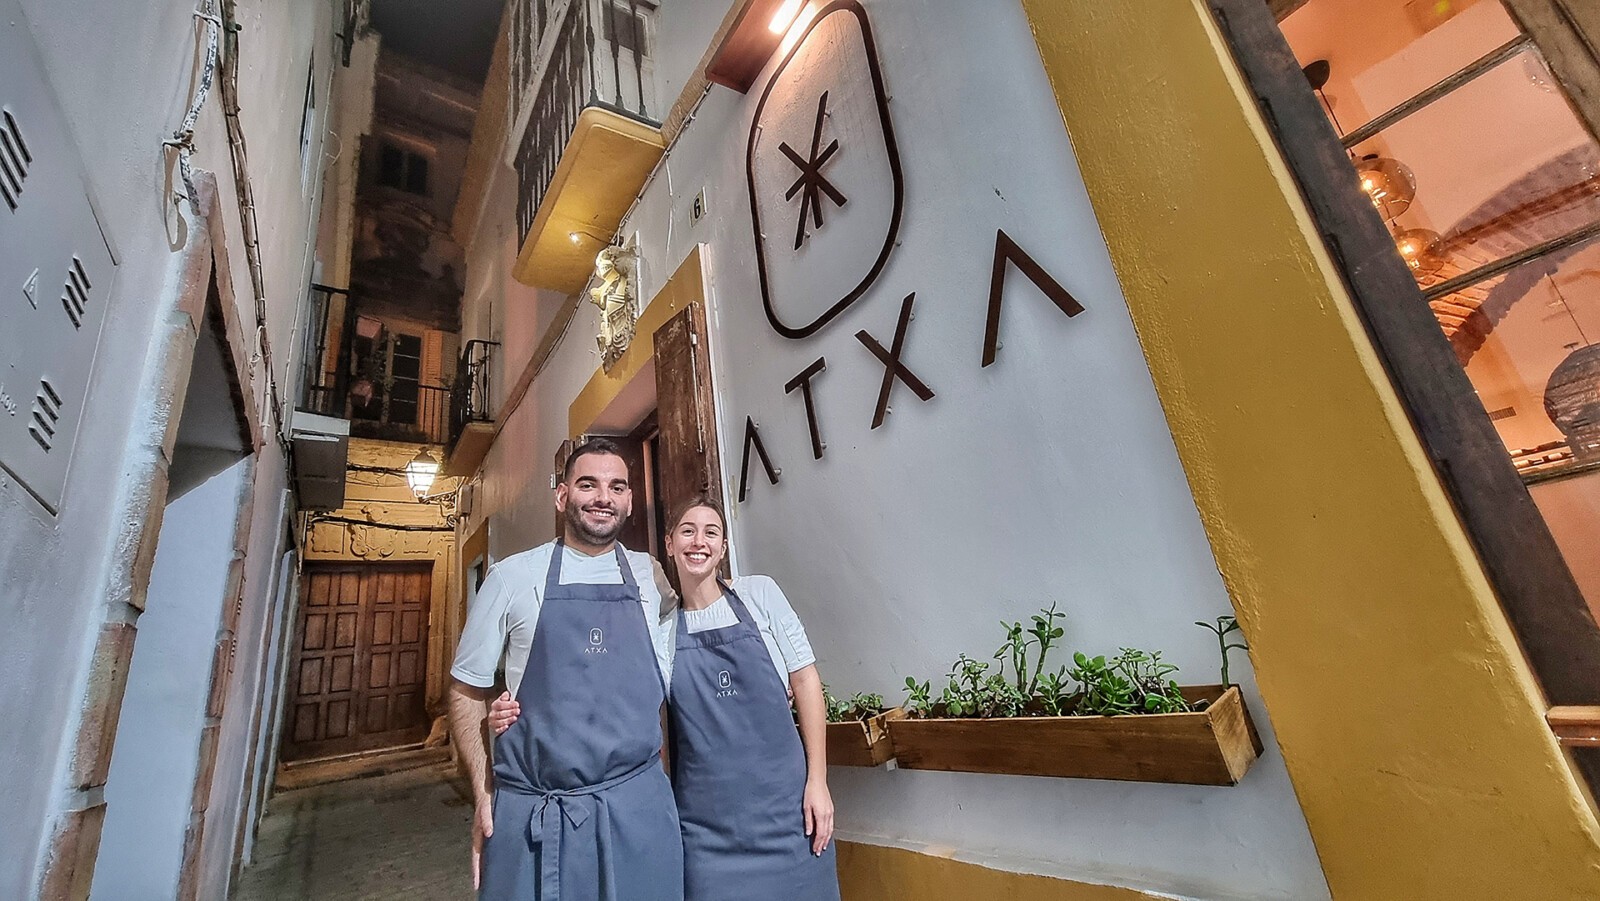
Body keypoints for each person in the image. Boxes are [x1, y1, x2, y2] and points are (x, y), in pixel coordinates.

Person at [492, 496, 841, 901]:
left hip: (791, 815)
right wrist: (515, 707)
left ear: (723, 548)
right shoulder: (661, 634)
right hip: (707, 835)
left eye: (711, 532)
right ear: (670, 543)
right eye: (688, 531)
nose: (699, 541)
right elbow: (608, 692)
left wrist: (818, 781)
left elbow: (806, 681)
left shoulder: (760, 595)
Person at [448, 437, 683, 901]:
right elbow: (466, 690)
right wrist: (482, 794)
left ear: (630, 501)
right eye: (588, 484)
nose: (603, 497)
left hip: (638, 811)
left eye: (617, 487)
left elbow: (672, 670)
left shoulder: (650, 576)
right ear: (561, 495)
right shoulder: (511, 578)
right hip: (535, 815)